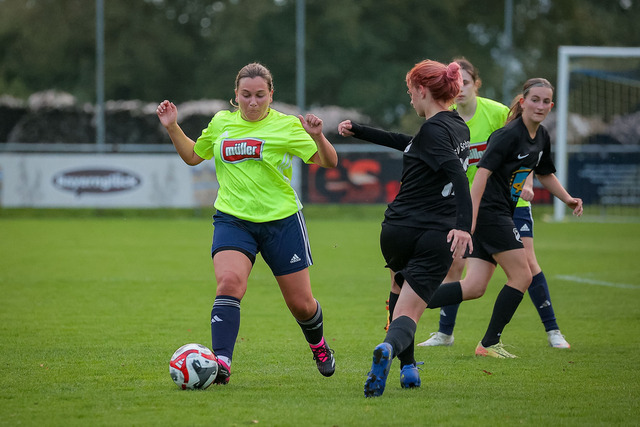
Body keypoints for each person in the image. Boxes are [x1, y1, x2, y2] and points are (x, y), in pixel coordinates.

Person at [156, 62, 339, 384]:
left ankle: (319, 346)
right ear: (235, 95)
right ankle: (221, 363)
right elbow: (193, 156)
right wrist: (172, 127)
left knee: (301, 305)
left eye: (259, 95)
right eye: (246, 95)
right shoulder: (221, 123)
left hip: (281, 221)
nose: (252, 102)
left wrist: (318, 136)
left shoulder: (287, 126)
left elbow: (329, 162)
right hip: (233, 219)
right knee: (229, 283)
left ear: (271, 95)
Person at [338, 59, 473, 397]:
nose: (410, 99)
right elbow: (413, 146)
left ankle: (408, 368)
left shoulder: (432, 131)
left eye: (410, 92)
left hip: (396, 229)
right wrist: (361, 130)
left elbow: (453, 173)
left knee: (398, 289)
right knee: (410, 312)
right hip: (433, 233)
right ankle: (389, 349)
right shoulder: (458, 127)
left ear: (422, 90)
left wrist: (464, 226)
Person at [418, 58, 571, 349]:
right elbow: (480, 172)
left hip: (507, 206)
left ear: (476, 84)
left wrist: (550, 192)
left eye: (464, 82)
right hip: (485, 208)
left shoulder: (504, 117)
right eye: (535, 100)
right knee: (515, 273)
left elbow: (530, 163)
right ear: (524, 102)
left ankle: (552, 331)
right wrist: (469, 216)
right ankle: (478, 341)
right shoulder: (447, 119)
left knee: (481, 283)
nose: (459, 88)